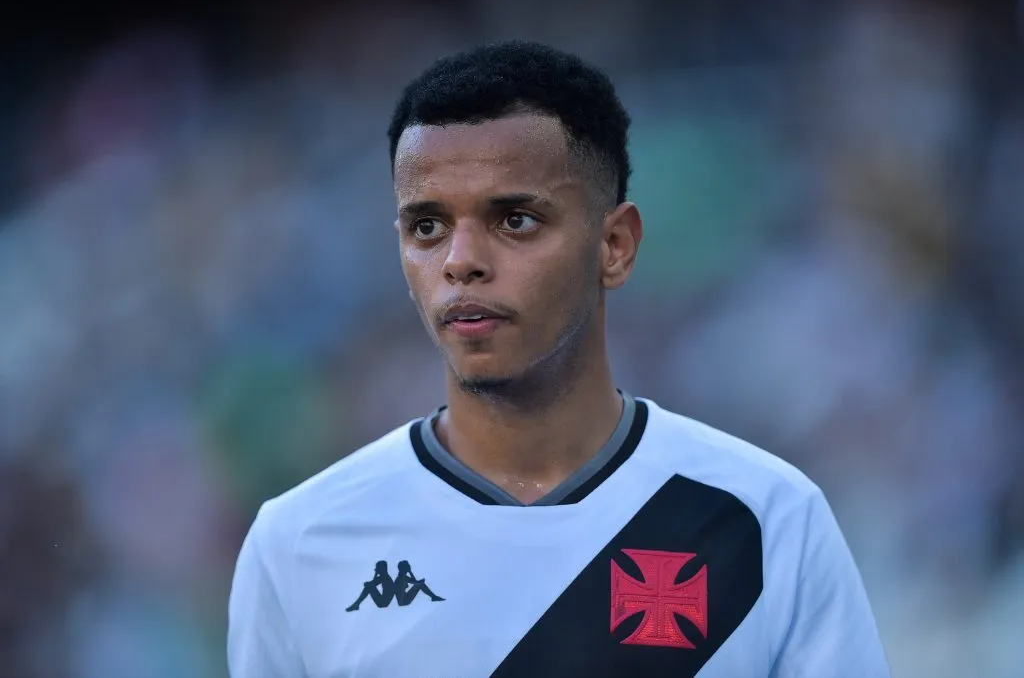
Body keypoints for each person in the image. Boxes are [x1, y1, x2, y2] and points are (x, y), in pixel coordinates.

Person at [228, 41, 891, 677]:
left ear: (616, 246)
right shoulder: (299, 542)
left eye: (514, 219)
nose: (460, 261)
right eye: (426, 226)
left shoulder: (764, 517)